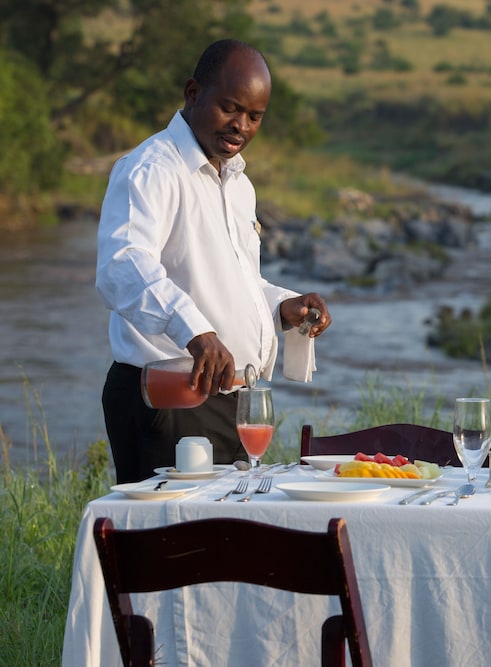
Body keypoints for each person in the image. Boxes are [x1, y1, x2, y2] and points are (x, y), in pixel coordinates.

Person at [96, 39, 329, 483]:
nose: (240, 126)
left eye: (255, 116)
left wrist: (282, 306)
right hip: (170, 403)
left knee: (224, 545)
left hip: (232, 403)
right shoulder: (151, 169)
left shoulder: (239, 183)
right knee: (170, 546)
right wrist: (195, 332)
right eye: (230, 108)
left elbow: (233, 281)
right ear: (192, 93)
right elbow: (122, 265)